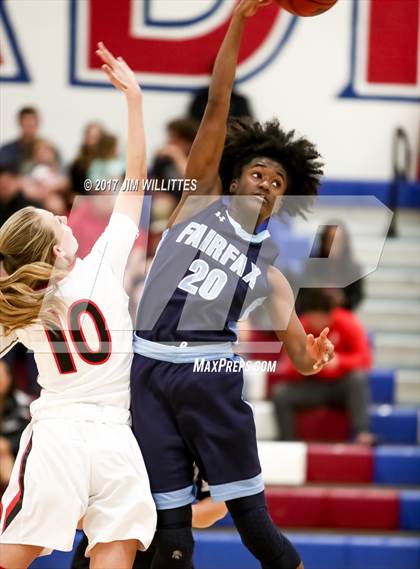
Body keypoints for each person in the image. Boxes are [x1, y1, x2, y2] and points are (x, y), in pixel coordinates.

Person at [131, 1, 334, 568]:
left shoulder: (271, 274)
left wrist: (314, 356)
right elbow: (219, 103)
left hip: (211, 377)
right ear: (235, 174)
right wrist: (240, 20)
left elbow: (299, 355)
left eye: (277, 181)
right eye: (257, 172)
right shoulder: (197, 202)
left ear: (281, 199)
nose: (266, 183)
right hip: (147, 371)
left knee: (255, 529)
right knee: (168, 534)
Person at [0, 43, 156, 569]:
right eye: (58, 223)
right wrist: (134, 101)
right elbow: (136, 180)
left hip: (57, 440)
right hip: (115, 439)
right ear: (55, 250)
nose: (68, 220)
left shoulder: (18, 305)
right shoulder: (105, 263)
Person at [270, 289, 374, 445]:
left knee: (357, 379)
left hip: (341, 385)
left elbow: (365, 359)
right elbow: (288, 366)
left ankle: (362, 432)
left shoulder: (347, 322)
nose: (317, 322)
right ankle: (288, 442)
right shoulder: (302, 327)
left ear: (331, 314)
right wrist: (309, 363)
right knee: (281, 393)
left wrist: (339, 362)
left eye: (321, 318)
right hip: (312, 385)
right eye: (313, 317)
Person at [71, 467, 227, 569]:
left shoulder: (194, 429)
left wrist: (162, 516)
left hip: (169, 549)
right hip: (103, 548)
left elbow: (218, 506)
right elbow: (71, 512)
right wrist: (114, 516)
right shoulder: (108, 425)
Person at [296, 222, 364, 312]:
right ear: (324, 241)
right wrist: (320, 292)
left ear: (344, 243)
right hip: (314, 314)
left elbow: (356, 298)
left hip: (340, 314)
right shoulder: (311, 266)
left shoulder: (354, 269)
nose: (333, 246)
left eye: (338, 241)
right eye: (330, 240)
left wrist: (342, 299)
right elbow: (302, 296)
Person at [0, 107, 40, 173]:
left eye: (32, 123)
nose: (29, 126)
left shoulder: (48, 149)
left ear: (37, 123)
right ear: (20, 123)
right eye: (26, 123)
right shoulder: (7, 150)